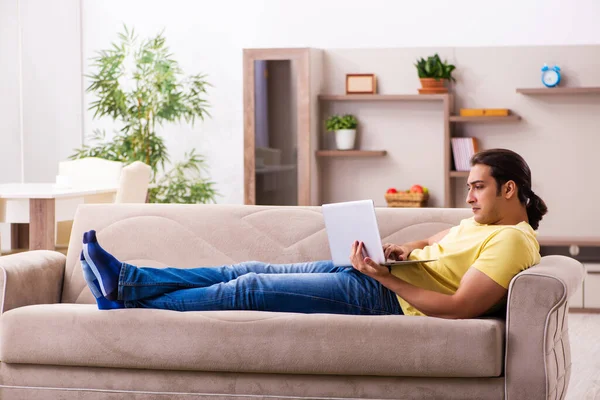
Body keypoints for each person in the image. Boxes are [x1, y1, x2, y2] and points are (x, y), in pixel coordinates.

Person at [80, 148, 547, 319]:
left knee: (250, 289)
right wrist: (405, 248)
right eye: (468, 187)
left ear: (509, 189)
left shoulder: (511, 240)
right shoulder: (483, 224)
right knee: (245, 269)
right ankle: (127, 280)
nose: (468, 197)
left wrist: (383, 277)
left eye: (477, 187)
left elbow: (460, 307)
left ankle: (125, 298)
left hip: (385, 297)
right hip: (377, 277)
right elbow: (440, 240)